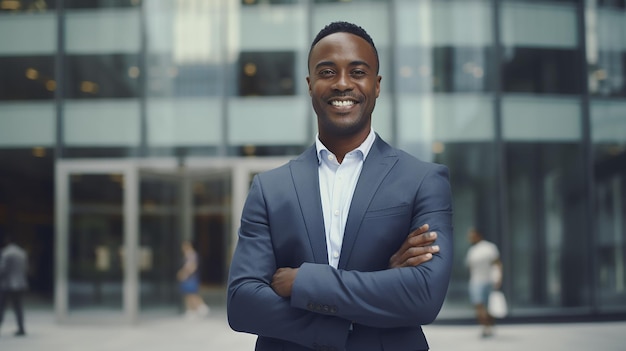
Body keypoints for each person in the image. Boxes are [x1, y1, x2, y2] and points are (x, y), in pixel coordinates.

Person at [227, 21, 453, 351]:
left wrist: (303, 282)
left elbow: (424, 295)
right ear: (310, 84)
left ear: (376, 85)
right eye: (328, 72)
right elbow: (242, 302)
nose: (343, 84)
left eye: (357, 72)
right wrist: (370, 299)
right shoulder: (269, 188)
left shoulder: (423, 180)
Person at [465, 228, 503, 338]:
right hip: (476, 281)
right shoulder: (472, 250)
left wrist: (498, 278)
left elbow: (497, 264)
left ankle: (489, 326)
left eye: (471, 236)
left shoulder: (489, 248)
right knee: (479, 306)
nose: (470, 238)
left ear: (478, 235)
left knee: (489, 307)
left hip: (488, 280)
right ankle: (485, 327)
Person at [0, 234, 28, 337]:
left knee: (1, 307)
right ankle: (21, 328)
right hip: (20, 283)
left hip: (7, 284)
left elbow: (2, 269)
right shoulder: (22, 252)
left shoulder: (6, 253)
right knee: (18, 307)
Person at [177, 240, 209, 319]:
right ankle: (192, 311)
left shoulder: (191, 255)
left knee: (191, 294)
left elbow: (191, 267)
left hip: (190, 278)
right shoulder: (190, 255)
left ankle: (200, 308)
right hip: (190, 278)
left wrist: (183, 273)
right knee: (189, 294)